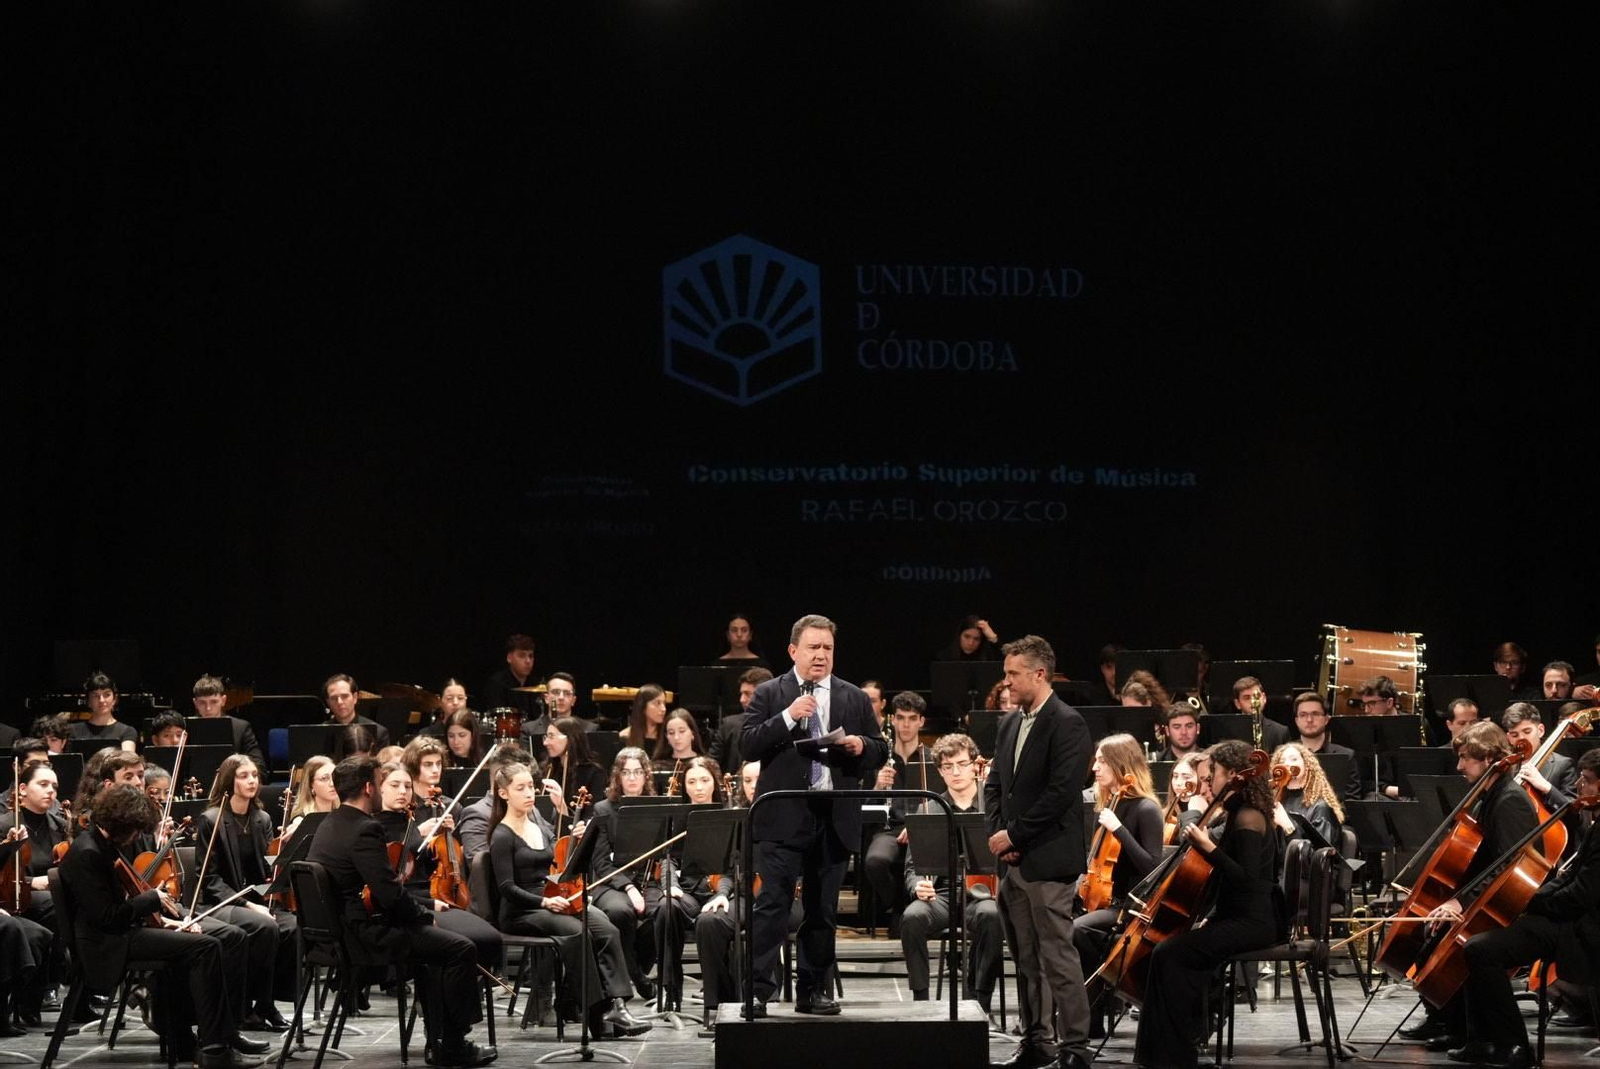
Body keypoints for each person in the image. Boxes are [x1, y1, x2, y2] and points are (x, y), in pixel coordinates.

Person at [740, 613, 888, 1018]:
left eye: (827, 648)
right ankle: (757, 992)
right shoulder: (771, 693)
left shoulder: (852, 697)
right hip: (783, 817)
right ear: (793, 651)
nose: (821, 655)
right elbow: (747, 745)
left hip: (833, 817)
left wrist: (861, 745)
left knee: (822, 910)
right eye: (813, 647)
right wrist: (788, 716)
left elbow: (881, 748)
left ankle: (814, 990)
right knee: (772, 906)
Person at [306, 754, 495, 1068]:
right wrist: (425, 916)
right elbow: (390, 894)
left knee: (435, 948)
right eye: (382, 782)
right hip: (365, 937)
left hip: (336, 935)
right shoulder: (365, 829)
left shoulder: (331, 823)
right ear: (369, 788)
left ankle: (441, 1040)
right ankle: (453, 1043)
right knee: (459, 948)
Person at [1134, 740, 1286, 1069]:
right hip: (1236, 917)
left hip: (1254, 922)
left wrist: (1207, 847)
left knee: (1169, 953)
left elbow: (1245, 880)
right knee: (1168, 952)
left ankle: (1176, 1053)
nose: (1207, 782)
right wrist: (1212, 916)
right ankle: (1166, 1052)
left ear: (1233, 774)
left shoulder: (1249, 817)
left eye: (1212, 774)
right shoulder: (1237, 813)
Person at [1451, 747, 1600, 1069]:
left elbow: (1580, 896)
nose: (1579, 788)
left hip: (1580, 927)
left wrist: (1532, 902)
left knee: (1482, 950)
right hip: (1565, 917)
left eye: (1587, 781)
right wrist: (1530, 898)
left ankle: (1514, 1046)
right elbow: (1568, 878)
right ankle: (1482, 1041)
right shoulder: (1596, 823)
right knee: (1477, 943)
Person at [983, 634, 1092, 1069]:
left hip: (1047, 861)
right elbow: (994, 786)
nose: (1006, 682)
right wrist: (999, 835)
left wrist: (1016, 836)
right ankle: (1036, 1041)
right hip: (1014, 863)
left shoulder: (1067, 722)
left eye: (1013, 674)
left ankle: (1075, 1048)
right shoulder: (1010, 723)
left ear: (1039, 673)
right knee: (1026, 959)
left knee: (1058, 958)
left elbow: (1062, 793)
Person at [1397, 722, 1540, 1050]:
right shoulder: (1490, 795)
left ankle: (1470, 1031)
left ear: (1489, 757)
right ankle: (1456, 1026)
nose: (1459, 766)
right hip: (1484, 898)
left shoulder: (1508, 801)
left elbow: (1510, 864)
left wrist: (1461, 903)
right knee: (1432, 935)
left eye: (1465, 759)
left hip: (1512, 905)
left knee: (1456, 944)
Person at [486, 760, 650, 1038]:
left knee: (606, 927)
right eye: (520, 788)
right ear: (504, 793)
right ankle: (595, 1013)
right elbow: (506, 888)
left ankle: (618, 1005)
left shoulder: (538, 824)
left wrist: (577, 839)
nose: (529, 793)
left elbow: (562, 860)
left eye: (530, 787)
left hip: (554, 899)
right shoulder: (502, 835)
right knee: (577, 932)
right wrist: (544, 903)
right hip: (523, 910)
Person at [192, 754, 296, 1031]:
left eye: (254, 775)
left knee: (293, 926)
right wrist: (251, 906)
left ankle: (266, 1002)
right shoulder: (211, 819)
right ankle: (246, 1007)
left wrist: (280, 852)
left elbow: (263, 871)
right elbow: (209, 879)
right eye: (243, 776)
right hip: (219, 902)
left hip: (253, 901)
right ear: (229, 781)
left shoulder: (261, 818)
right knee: (264, 925)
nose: (252, 780)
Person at [899, 733, 1003, 1010]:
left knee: (992, 916)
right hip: (943, 895)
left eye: (961, 764)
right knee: (912, 917)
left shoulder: (992, 807)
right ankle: (920, 1000)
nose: (955, 772)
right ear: (940, 771)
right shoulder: (928, 808)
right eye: (948, 767)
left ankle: (980, 998)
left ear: (974, 766)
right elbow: (911, 866)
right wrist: (917, 885)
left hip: (982, 892)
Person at [372, 760, 504, 976]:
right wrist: (430, 903)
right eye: (395, 785)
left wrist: (443, 837)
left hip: (432, 896)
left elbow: (426, 866)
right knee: (468, 941)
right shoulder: (374, 828)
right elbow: (386, 886)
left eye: (407, 786)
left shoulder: (410, 822)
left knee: (490, 937)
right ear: (380, 787)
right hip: (409, 903)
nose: (402, 791)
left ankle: (461, 990)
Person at [1073, 734, 1164, 1036]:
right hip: (1106, 900)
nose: (1095, 767)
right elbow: (1095, 861)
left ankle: (1105, 999)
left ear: (1121, 764)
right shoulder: (1110, 803)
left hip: (1132, 906)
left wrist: (1120, 830)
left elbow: (1152, 867)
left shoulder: (1145, 809)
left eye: (1102, 760)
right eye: (1096, 760)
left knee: (1078, 931)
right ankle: (1088, 1018)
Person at [585, 748, 660, 1003]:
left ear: (646, 776)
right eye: (626, 772)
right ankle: (637, 976)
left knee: (666, 911)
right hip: (611, 884)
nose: (632, 778)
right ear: (617, 776)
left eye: (637, 772)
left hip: (649, 882)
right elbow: (601, 862)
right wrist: (628, 888)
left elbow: (666, 853)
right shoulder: (603, 809)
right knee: (619, 912)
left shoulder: (657, 807)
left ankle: (637, 971)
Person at [864, 691, 935, 928]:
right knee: (875, 861)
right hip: (888, 829)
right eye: (901, 718)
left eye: (912, 718)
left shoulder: (931, 758)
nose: (906, 725)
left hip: (922, 829)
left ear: (921, 722)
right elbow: (863, 806)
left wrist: (915, 826)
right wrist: (877, 786)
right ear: (892, 719)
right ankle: (898, 904)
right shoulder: (879, 757)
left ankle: (910, 911)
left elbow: (938, 801)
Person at [1268, 744, 1343, 848]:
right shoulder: (1277, 802)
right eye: (1282, 761)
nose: (1287, 764)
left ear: (1307, 766)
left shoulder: (1320, 807)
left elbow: (1319, 856)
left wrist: (1287, 826)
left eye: (1294, 759)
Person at [1289, 692, 1362, 799]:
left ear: (1326, 719)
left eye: (1315, 714)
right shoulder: (1283, 754)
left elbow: (1352, 800)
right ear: (1297, 721)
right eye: (1303, 715)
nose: (1309, 720)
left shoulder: (1346, 756)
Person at [538, 717, 606, 824]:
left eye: (551, 737)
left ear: (569, 739)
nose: (545, 743)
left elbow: (591, 817)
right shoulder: (547, 769)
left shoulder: (594, 773)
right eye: (546, 737)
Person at [192, 675, 266, 768]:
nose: (208, 708)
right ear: (195, 703)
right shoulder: (185, 729)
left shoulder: (241, 727)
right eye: (202, 703)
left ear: (223, 700)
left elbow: (259, 767)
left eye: (214, 702)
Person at [710, 667, 772, 775]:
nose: (742, 700)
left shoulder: (784, 723)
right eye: (741, 693)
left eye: (748, 694)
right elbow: (711, 763)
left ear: (765, 694)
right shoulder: (728, 725)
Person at [517, 672, 593, 746]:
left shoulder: (589, 729)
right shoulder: (529, 730)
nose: (561, 697)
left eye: (567, 693)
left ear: (573, 701)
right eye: (556, 692)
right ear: (546, 698)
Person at [72, 672, 139, 752]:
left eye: (107, 695)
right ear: (88, 701)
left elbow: (127, 760)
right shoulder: (73, 730)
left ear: (114, 699)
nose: (101, 700)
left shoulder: (127, 732)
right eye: (95, 695)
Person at [321, 674, 391, 749]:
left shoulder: (378, 732)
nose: (339, 702)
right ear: (328, 702)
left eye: (344, 696)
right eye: (334, 698)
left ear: (355, 698)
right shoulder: (320, 732)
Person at [481, 634, 540, 715]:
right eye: (522, 656)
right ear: (509, 658)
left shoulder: (537, 684)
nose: (528, 661)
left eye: (531, 656)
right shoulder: (496, 684)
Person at [652, 708, 707, 773]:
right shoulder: (657, 768)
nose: (676, 737)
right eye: (671, 733)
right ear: (666, 737)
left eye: (682, 731)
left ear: (692, 733)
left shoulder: (706, 764)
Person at [619, 685, 667, 750]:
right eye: (658, 703)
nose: (663, 709)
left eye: (664, 703)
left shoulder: (668, 736)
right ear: (643, 707)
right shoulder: (625, 737)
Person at [937, 616, 1002, 662]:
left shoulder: (988, 658)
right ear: (959, 635)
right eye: (967, 637)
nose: (970, 643)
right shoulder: (943, 658)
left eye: (976, 639)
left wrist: (992, 637)